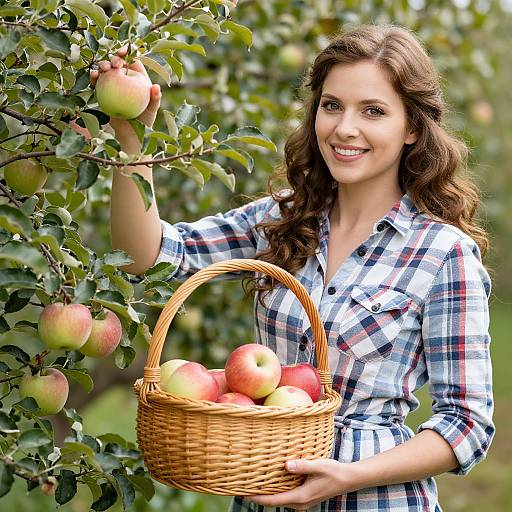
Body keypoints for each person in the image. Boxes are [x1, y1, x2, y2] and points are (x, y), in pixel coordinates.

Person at [91, 23, 494, 512]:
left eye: (373, 111)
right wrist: (131, 140)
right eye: (332, 105)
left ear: (411, 127)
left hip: (375, 501)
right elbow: (148, 255)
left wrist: (345, 477)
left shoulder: (442, 254)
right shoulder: (281, 220)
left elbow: (466, 425)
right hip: (266, 495)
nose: (345, 127)